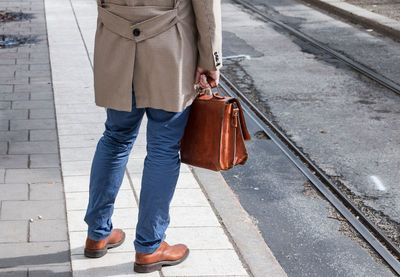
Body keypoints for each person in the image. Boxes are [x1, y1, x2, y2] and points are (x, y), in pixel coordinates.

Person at [82, 0, 222, 273]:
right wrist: (210, 58)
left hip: (115, 39)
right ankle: (149, 247)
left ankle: (97, 234)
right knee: (163, 148)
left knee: (115, 138)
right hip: (170, 46)